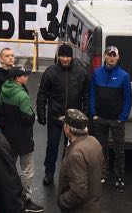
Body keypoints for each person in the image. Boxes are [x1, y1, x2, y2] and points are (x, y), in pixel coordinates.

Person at [36, 44, 89, 186]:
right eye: (62, 56)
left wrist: (84, 114)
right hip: (55, 117)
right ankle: (49, 172)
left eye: (67, 56)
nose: (65, 59)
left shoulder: (81, 72)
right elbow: (42, 94)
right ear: (58, 56)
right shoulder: (50, 72)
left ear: (72, 57)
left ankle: (67, 173)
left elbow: (86, 95)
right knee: (52, 145)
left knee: (72, 148)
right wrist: (41, 112)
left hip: (73, 120)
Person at [0, 67, 44, 213]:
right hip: (23, 138)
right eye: (25, 75)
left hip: (8, 137)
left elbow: (0, 113)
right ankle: (25, 200)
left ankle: (8, 197)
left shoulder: (3, 90)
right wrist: (33, 114)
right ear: (18, 79)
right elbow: (27, 118)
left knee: (8, 168)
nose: (27, 77)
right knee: (27, 170)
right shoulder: (22, 95)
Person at [88, 45, 131, 191]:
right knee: (101, 149)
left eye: (114, 55)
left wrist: (122, 118)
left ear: (118, 57)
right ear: (105, 56)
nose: (112, 58)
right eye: (109, 55)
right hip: (100, 118)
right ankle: (103, 174)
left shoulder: (124, 76)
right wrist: (93, 113)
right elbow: (92, 94)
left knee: (119, 151)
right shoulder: (97, 73)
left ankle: (119, 178)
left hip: (116, 120)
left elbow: (128, 99)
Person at [56, 109, 104, 213]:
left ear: (67, 128)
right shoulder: (94, 141)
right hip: (94, 206)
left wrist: (62, 201)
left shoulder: (76, 153)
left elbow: (78, 192)